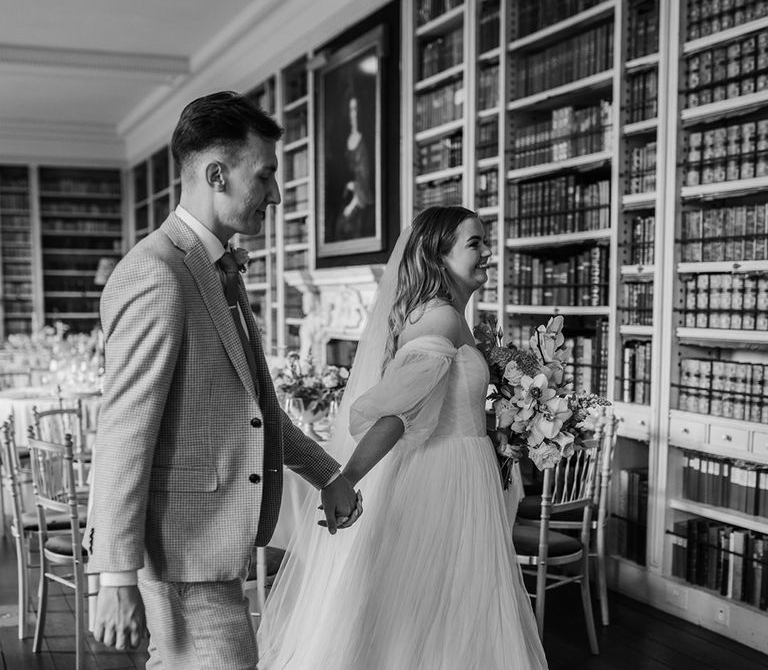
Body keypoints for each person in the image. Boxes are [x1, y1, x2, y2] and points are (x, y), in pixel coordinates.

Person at [86, 91, 362, 670]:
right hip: (185, 555)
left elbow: (257, 408)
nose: (277, 195)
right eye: (264, 176)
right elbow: (122, 434)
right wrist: (114, 575)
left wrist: (327, 473)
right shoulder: (157, 273)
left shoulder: (216, 268)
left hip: (212, 552)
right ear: (217, 174)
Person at [258, 206, 548, 669]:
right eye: (475, 243)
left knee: (447, 617)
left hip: (463, 474)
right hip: (442, 483)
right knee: (436, 621)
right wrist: (346, 477)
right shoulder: (440, 321)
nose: (488, 251)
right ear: (439, 256)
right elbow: (398, 413)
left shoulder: (451, 317)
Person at [334, 94, 374, 241]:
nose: (354, 113)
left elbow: (366, 173)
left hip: (361, 197)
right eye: (351, 109)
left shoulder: (366, 140)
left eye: (356, 109)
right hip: (348, 194)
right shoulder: (343, 140)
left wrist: (356, 192)